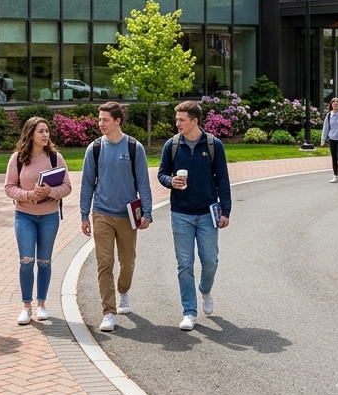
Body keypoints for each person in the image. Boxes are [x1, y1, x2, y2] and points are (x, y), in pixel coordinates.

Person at [157, 100, 231, 331]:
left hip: (208, 213)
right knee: (185, 264)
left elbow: (223, 180)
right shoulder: (172, 145)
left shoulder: (213, 145)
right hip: (181, 214)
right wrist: (171, 182)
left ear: (194, 121)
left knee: (210, 260)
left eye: (181, 119)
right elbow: (161, 174)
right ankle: (189, 311)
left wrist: (225, 210)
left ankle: (205, 290)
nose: (177, 123)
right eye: (176, 119)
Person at [79, 101, 153, 334]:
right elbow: (87, 184)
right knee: (104, 263)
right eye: (99, 119)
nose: (100, 124)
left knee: (127, 262)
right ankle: (108, 312)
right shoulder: (95, 148)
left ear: (117, 121)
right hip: (101, 213)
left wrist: (147, 213)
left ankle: (123, 291)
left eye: (105, 120)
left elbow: (143, 183)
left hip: (128, 215)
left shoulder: (134, 147)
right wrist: (84, 214)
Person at [4, 117, 72, 326]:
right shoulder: (17, 158)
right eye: (41, 131)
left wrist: (51, 191)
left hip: (49, 217)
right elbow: (9, 187)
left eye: (47, 131)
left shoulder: (55, 158)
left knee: (44, 261)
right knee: (26, 260)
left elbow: (67, 187)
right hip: (24, 215)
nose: (45, 135)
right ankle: (26, 306)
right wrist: (28, 195)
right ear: (30, 133)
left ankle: (41, 304)